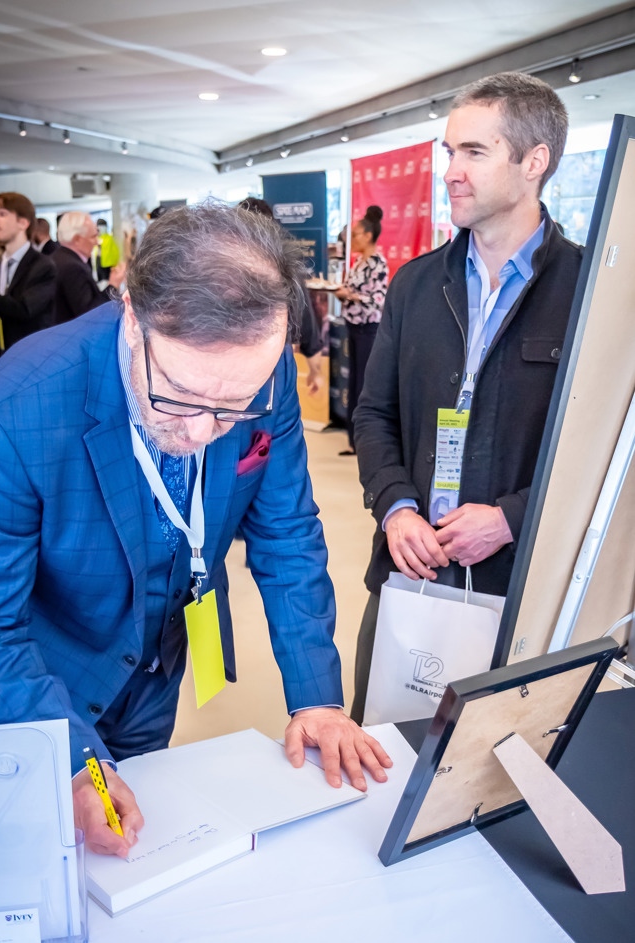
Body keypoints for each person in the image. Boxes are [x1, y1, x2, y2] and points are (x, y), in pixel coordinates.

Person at [0, 204, 391, 859]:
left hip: (159, 665)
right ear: (133, 317)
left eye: (231, 408)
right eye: (179, 397)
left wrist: (319, 700)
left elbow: (287, 537)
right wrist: (75, 757)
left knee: (137, 858)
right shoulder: (14, 411)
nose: (200, 433)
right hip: (45, 682)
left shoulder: (260, 369)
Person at [350, 72, 583, 724]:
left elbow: (612, 455)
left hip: (521, 594)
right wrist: (396, 507)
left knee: (492, 778)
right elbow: (375, 415)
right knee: (383, 757)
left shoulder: (594, 294)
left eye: (474, 153)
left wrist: (512, 516)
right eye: (448, 152)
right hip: (412, 576)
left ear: (534, 162)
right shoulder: (416, 285)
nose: (450, 171)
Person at [239, 197, 324, 394]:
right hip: (273, 368)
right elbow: (307, 325)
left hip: (243, 368)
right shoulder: (285, 267)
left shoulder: (219, 269)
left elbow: (306, 322)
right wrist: (315, 370)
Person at [0, 192, 56, 354]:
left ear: (23, 223)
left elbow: (23, 309)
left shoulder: (42, 265)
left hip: (30, 356)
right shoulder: (2, 262)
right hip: (2, 355)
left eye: (2, 214)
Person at [334, 206, 388, 456]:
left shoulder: (378, 263)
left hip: (369, 328)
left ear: (367, 236)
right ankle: (352, 440)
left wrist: (351, 295)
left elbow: (378, 299)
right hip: (353, 326)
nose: (351, 239)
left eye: (355, 234)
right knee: (353, 382)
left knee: (363, 384)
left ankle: (363, 441)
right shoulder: (357, 262)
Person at [52, 211, 125, 323]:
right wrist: (113, 284)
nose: (97, 242)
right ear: (77, 239)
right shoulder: (72, 268)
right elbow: (90, 313)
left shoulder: (59, 257)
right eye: (93, 236)